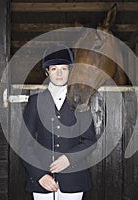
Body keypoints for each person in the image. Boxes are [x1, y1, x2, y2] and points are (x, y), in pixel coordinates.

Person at [20, 44, 97, 200]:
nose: (59, 74)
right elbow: (24, 144)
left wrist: (69, 159)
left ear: (70, 70)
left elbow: (90, 141)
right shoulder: (35, 102)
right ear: (47, 71)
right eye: (54, 69)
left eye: (64, 68)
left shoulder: (80, 101)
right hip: (42, 181)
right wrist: (40, 175)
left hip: (74, 178)